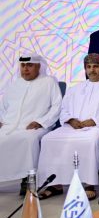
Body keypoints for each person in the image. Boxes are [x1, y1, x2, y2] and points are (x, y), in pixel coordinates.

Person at [37, 54, 99, 201]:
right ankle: (55, 184)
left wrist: (94, 121)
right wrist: (70, 120)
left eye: (96, 66)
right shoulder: (75, 88)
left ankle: (89, 184)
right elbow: (63, 109)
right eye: (88, 67)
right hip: (73, 127)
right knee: (48, 139)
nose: (92, 70)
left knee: (90, 141)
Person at [0, 54, 62, 192]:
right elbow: (3, 106)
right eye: (23, 65)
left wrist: (41, 122)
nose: (25, 69)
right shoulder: (15, 84)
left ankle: (28, 179)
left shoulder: (49, 82)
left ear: (39, 66)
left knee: (29, 140)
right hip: (10, 125)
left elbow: (57, 106)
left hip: (36, 126)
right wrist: (2, 120)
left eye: (29, 65)